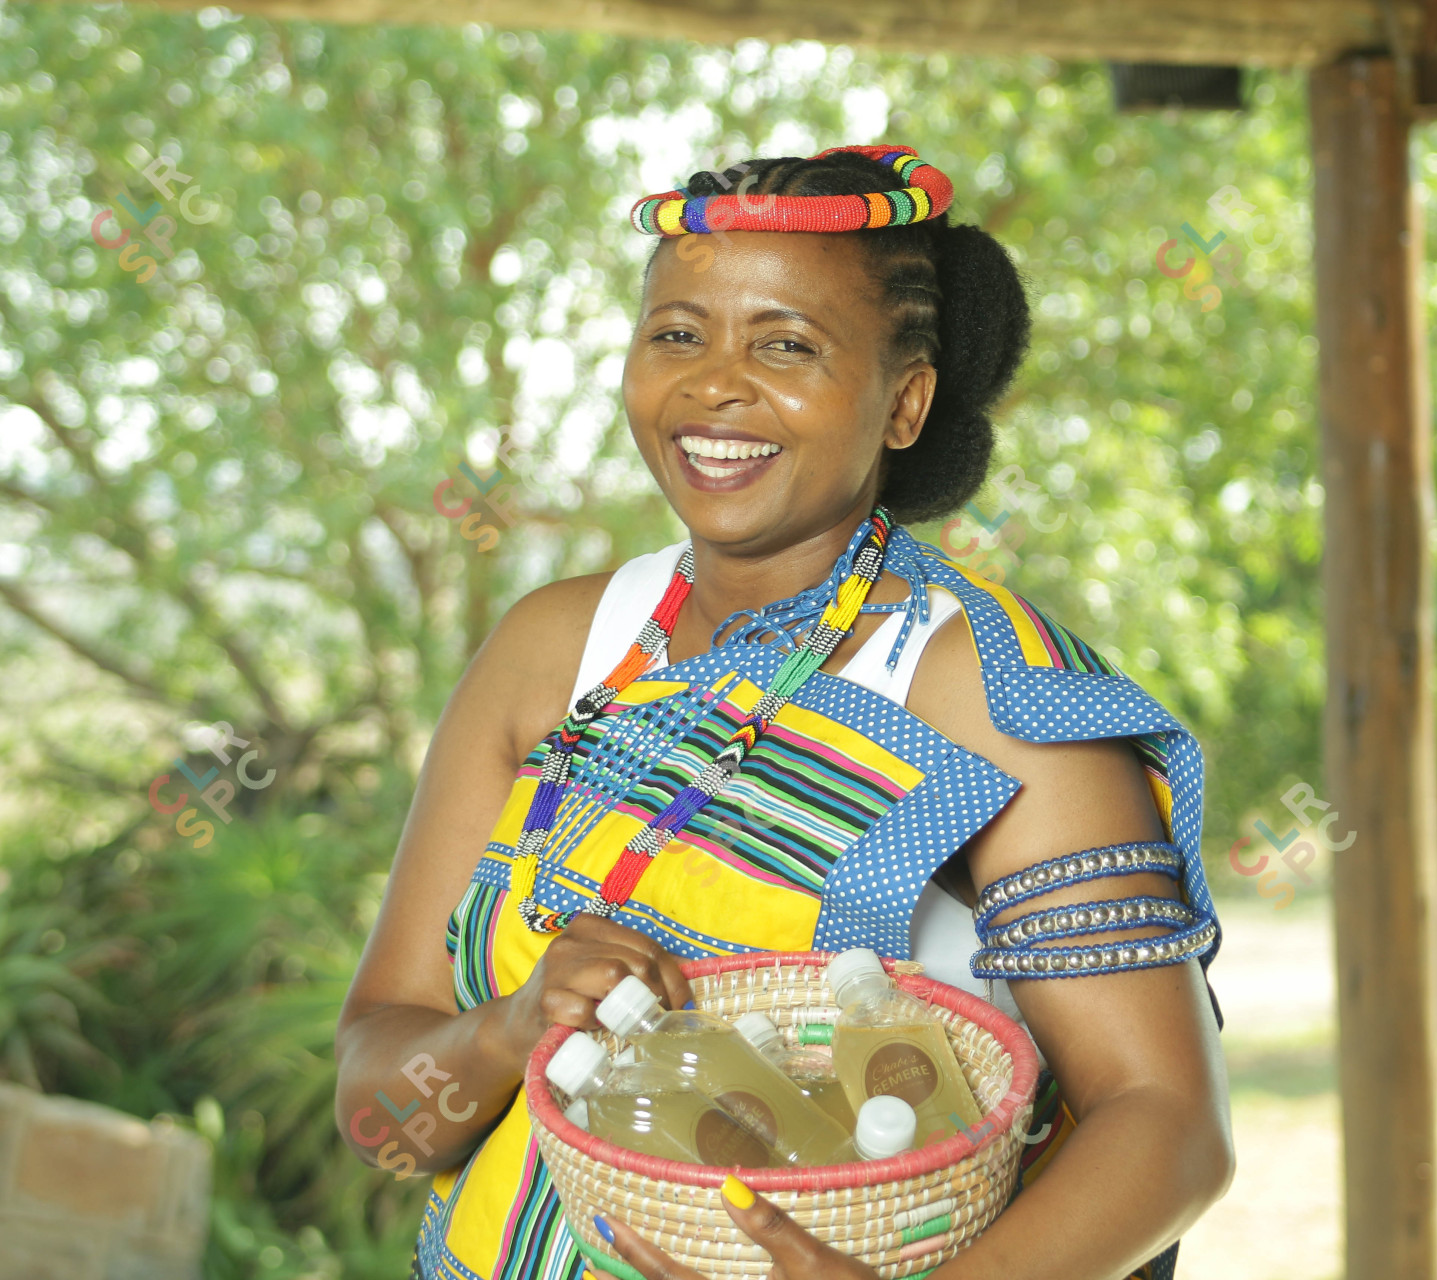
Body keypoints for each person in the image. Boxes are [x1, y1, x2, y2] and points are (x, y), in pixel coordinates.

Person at [335, 143, 1233, 1280]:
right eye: (677, 333)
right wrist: (509, 1027)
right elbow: (381, 1112)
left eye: (785, 345)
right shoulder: (553, 648)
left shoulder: (993, 695)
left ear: (903, 401)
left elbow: (1166, 1124)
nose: (715, 384)